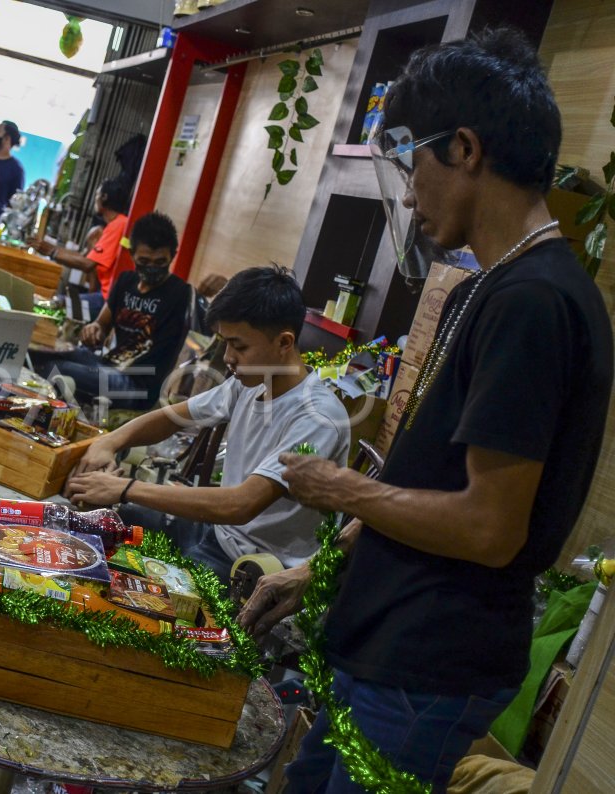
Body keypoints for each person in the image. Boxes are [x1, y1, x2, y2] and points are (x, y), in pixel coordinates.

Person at [238, 29, 613, 792]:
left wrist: (338, 487)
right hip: (390, 641)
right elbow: (427, 473)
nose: (407, 192)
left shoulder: (535, 301)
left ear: (465, 150)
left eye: (413, 165)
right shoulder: (485, 285)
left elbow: (488, 525)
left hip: (430, 661)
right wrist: (325, 562)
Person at [65, 265, 350, 580]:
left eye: (239, 346)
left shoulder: (317, 417)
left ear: (284, 343)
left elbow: (241, 505)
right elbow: (172, 418)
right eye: (225, 343)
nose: (228, 357)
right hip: (216, 533)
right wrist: (110, 442)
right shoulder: (251, 381)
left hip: (250, 567)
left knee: (115, 575)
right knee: (102, 523)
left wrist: (126, 487)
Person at [29, 212, 190, 412]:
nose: (151, 269)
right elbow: (101, 324)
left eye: (160, 263)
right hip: (106, 365)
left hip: (137, 386)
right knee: (35, 354)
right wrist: (94, 329)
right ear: (132, 255)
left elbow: (208, 328)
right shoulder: (125, 282)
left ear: (172, 256)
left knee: (56, 368)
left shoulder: (181, 294)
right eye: (144, 261)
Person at [35, 179, 129, 318]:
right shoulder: (115, 225)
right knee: (57, 301)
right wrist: (53, 249)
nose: (95, 199)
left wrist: (52, 252)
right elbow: (85, 258)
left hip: (108, 301)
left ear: (104, 197)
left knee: (55, 305)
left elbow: (87, 264)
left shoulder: (118, 225)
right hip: (103, 296)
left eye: (97, 194)